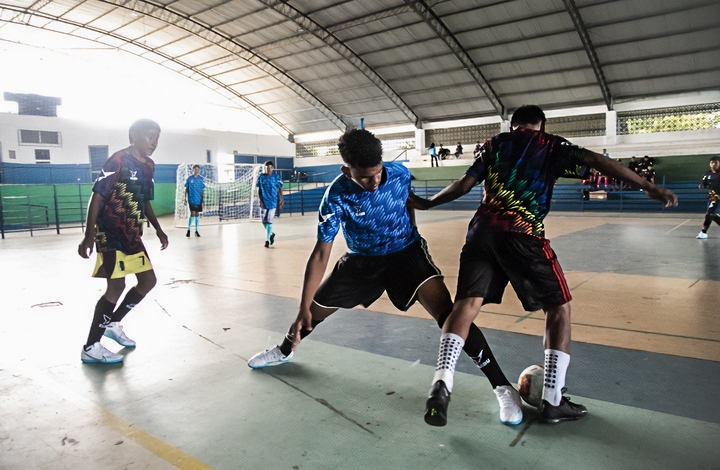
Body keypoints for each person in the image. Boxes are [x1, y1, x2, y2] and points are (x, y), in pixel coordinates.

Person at [410, 105, 677, 425]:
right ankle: (553, 399)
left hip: (480, 234)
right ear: (541, 124)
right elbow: (599, 162)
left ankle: (442, 382)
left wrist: (427, 203)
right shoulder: (551, 145)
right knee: (558, 307)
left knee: (465, 306)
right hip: (522, 234)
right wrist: (649, 186)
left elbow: (464, 186)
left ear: (513, 125)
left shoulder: (495, 144)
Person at [247, 129, 524, 426]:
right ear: (346, 170)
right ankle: (284, 350)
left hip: (405, 254)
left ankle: (502, 387)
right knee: (311, 315)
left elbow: (407, 203)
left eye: (377, 173)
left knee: (450, 316)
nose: (374, 181)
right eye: (365, 177)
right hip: (361, 261)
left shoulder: (399, 174)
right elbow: (320, 254)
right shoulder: (335, 197)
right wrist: (302, 305)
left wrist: (413, 236)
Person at [77, 119, 169, 364]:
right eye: (150, 136)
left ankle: (113, 322)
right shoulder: (117, 161)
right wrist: (88, 235)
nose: (154, 142)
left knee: (148, 280)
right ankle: (91, 346)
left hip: (132, 234)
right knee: (115, 287)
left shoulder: (149, 165)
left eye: (157, 137)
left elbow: (144, 199)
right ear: (134, 136)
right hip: (109, 232)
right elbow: (97, 196)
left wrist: (158, 229)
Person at [256, 161, 284, 248]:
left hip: (273, 201)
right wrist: (260, 200)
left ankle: (267, 240)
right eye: (267, 168)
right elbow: (259, 190)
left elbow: (280, 188)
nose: (268, 170)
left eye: (270, 168)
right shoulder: (261, 177)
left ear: (272, 168)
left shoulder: (276, 177)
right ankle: (271, 234)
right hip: (264, 201)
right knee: (263, 221)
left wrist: (281, 199)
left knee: (269, 221)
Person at [696, 156, 720, 239]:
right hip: (714, 197)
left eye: (716, 162)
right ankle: (703, 232)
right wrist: (702, 185)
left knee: (712, 214)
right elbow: (705, 182)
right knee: (710, 214)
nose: (713, 164)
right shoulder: (708, 173)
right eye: (712, 162)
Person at [184, 164, 205, 237]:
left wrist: (203, 198)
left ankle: (196, 230)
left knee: (197, 214)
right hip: (191, 199)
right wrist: (185, 199)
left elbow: (202, 190)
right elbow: (186, 189)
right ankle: (188, 230)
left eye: (197, 169)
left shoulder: (201, 179)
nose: (196, 170)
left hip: (198, 199)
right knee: (192, 214)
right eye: (195, 169)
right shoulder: (190, 179)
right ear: (193, 170)